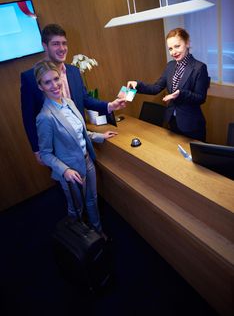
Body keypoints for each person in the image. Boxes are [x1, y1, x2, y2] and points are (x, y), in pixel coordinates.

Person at [21, 23, 126, 164]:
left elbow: (85, 99)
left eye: (64, 43)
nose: (62, 48)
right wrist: (37, 150)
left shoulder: (74, 71)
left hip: (81, 142)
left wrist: (110, 106)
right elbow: (28, 118)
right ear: (45, 46)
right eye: (56, 44)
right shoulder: (30, 77)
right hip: (56, 149)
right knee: (68, 184)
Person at [35, 60, 117, 236]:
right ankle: (78, 239)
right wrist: (65, 171)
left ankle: (98, 232)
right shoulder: (45, 117)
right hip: (71, 171)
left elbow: (80, 132)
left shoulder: (69, 102)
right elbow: (45, 154)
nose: (54, 85)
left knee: (92, 201)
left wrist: (100, 136)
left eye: (56, 79)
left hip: (87, 161)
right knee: (76, 208)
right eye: (47, 82)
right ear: (40, 86)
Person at [127, 28, 210, 142]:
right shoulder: (170, 65)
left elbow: (201, 98)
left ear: (187, 43)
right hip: (173, 120)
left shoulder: (199, 67)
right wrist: (137, 85)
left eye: (177, 46)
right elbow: (156, 88)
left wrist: (180, 94)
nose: (173, 52)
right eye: (170, 48)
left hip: (191, 124)